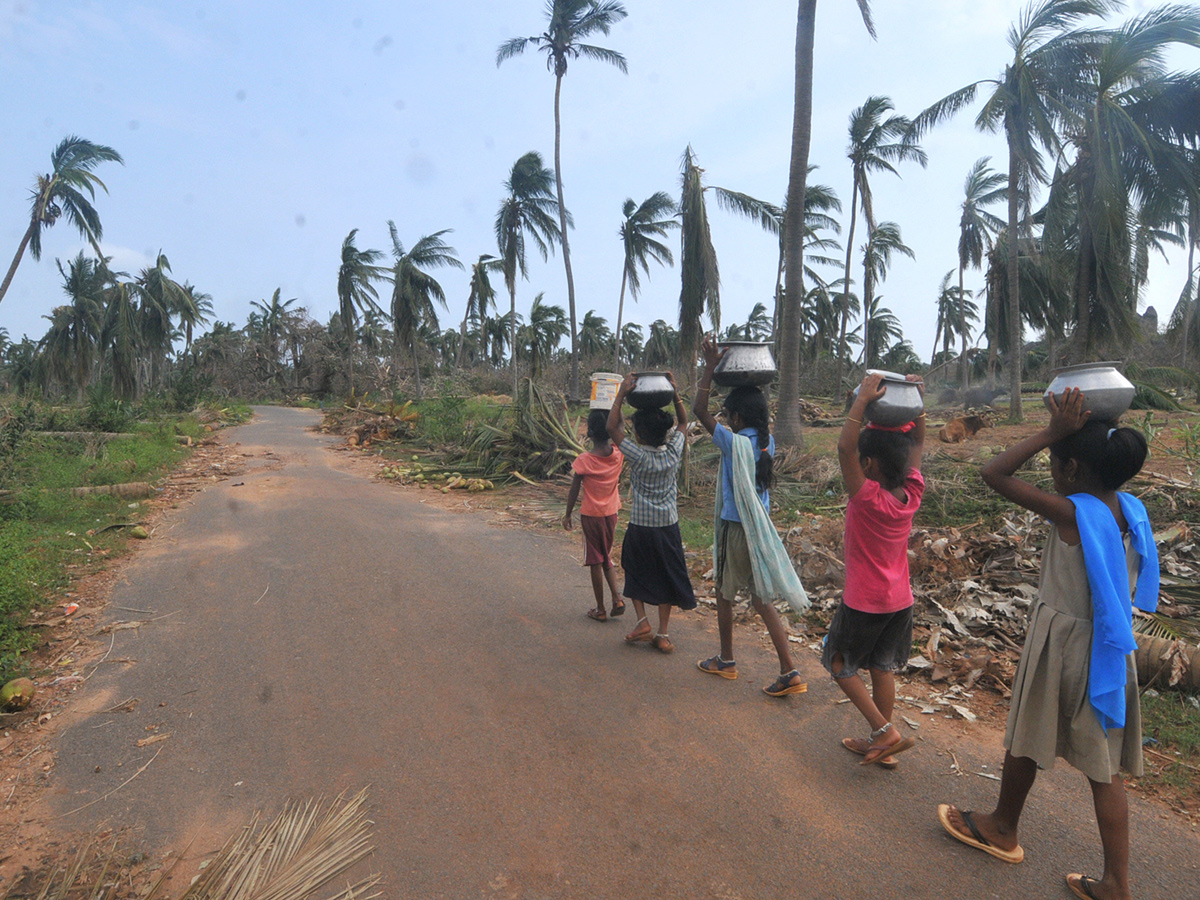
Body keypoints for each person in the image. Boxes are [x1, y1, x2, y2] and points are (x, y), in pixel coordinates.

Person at [937, 388, 1158, 900]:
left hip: (1064, 643)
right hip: (1110, 648)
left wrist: (1048, 433)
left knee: (1027, 735)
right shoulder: (1132, 511)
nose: (1052, 472)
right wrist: (1066, 440)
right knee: (1105, 771)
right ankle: (1117, 884)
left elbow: (993, 474)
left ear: (1073, 469)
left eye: (1056, 463)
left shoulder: (1071, 513)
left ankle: (1002, 827)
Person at [693, 336, 810, 697]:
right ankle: (789, 670)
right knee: (762, 600)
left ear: (737, 417)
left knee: (725, 595)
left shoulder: (734, 443)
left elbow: (699, 412)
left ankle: (727, 660)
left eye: (728, 415)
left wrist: (711, 368)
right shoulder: (765, 443)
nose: (724, 419)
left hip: (736, 527)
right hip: (758, 528)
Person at [825, 371, 925, 767]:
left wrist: (863, 399)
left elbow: (843, 447)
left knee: (838, 663)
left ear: (869, 464)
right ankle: (881, 744)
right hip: (900, 600)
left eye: (861, 461)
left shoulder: (867, 497)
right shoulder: (912, 492)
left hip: (865, 601)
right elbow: (916, 440)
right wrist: (918, 402)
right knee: (881, 667)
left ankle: (885, 732)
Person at [606, 372, 696, 653]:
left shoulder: (638, 455)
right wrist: (675, 392)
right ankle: (663, 634)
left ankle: (642, 620)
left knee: (636, 571)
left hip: (641, 527)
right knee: (666, 575)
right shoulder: (672, 452)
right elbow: (683, 422)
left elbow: (611, 429)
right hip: (668, 527)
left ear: (640, 434)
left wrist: (621, 394)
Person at [563, 408, 625, 622]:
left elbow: (573, 490)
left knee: (595, 561)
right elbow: (621, 429)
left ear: (589, 432)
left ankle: (600, 609)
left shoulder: (584, 461)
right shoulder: (618, 454)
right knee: (606, 556)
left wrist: (567, 514)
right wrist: (618, 408)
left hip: (591, 516)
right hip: (611, 514)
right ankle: (617, 598)